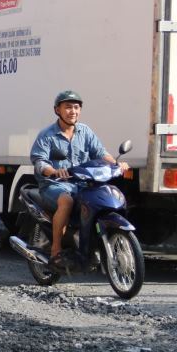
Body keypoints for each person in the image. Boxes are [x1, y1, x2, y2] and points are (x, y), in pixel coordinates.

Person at [29, 90, 129, 270]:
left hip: (81, 184)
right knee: (66, 201)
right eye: (67, 107)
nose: (72, 111)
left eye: (76, 107)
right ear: (57, 110)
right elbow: (39, 161)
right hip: (54, 185)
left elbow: (100, 153)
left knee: (99, 197)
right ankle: (56, 250)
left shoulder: (85, 131)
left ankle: (88, 246)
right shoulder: (47, 135)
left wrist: (117, 164)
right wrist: (52, 171)